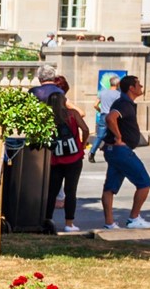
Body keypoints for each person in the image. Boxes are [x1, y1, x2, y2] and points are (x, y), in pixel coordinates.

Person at [101, 75, 150, 230]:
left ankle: (109, 223)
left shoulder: (125, 103)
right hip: (121, 151)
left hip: (114, 150)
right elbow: (111, 118)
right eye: (139, 84)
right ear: (131, 87)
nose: (141, 87)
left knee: (110, 187)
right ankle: (134, 218)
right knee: (144, 183)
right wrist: (118, 137)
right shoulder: (124, 103)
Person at [45, 91, 89, 233]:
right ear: (64, 101)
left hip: (55, 159)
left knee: (52, 191)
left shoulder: (47, 117)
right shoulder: (72, 114)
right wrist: (82, 143)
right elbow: (85, 129)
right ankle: (69, 224)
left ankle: (48, 220)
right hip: (74, 158)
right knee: (71, 191)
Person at [88, 75, 121, 163]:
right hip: (113, 117)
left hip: (103, 115)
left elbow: (95, 105)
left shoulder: (102, 93)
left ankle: (92, 152)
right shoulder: (118, 95)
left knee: (100, 136)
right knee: (115, 135)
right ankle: (114, 154)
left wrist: (100, 110)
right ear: (118, 84)